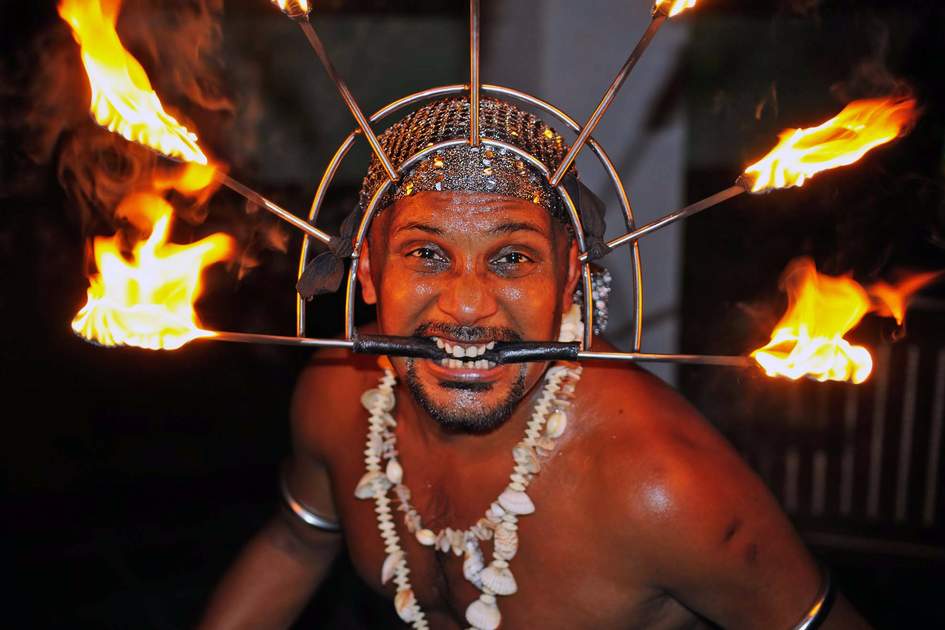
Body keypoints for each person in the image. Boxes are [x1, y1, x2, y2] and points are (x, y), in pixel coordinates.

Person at [199, 97, 870, 629]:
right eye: (426, 254)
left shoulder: (663, 488)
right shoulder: (333, 392)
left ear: (569, 275)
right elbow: (296, 542)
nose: (466, 306)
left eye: (512, 257)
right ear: (368, 273)